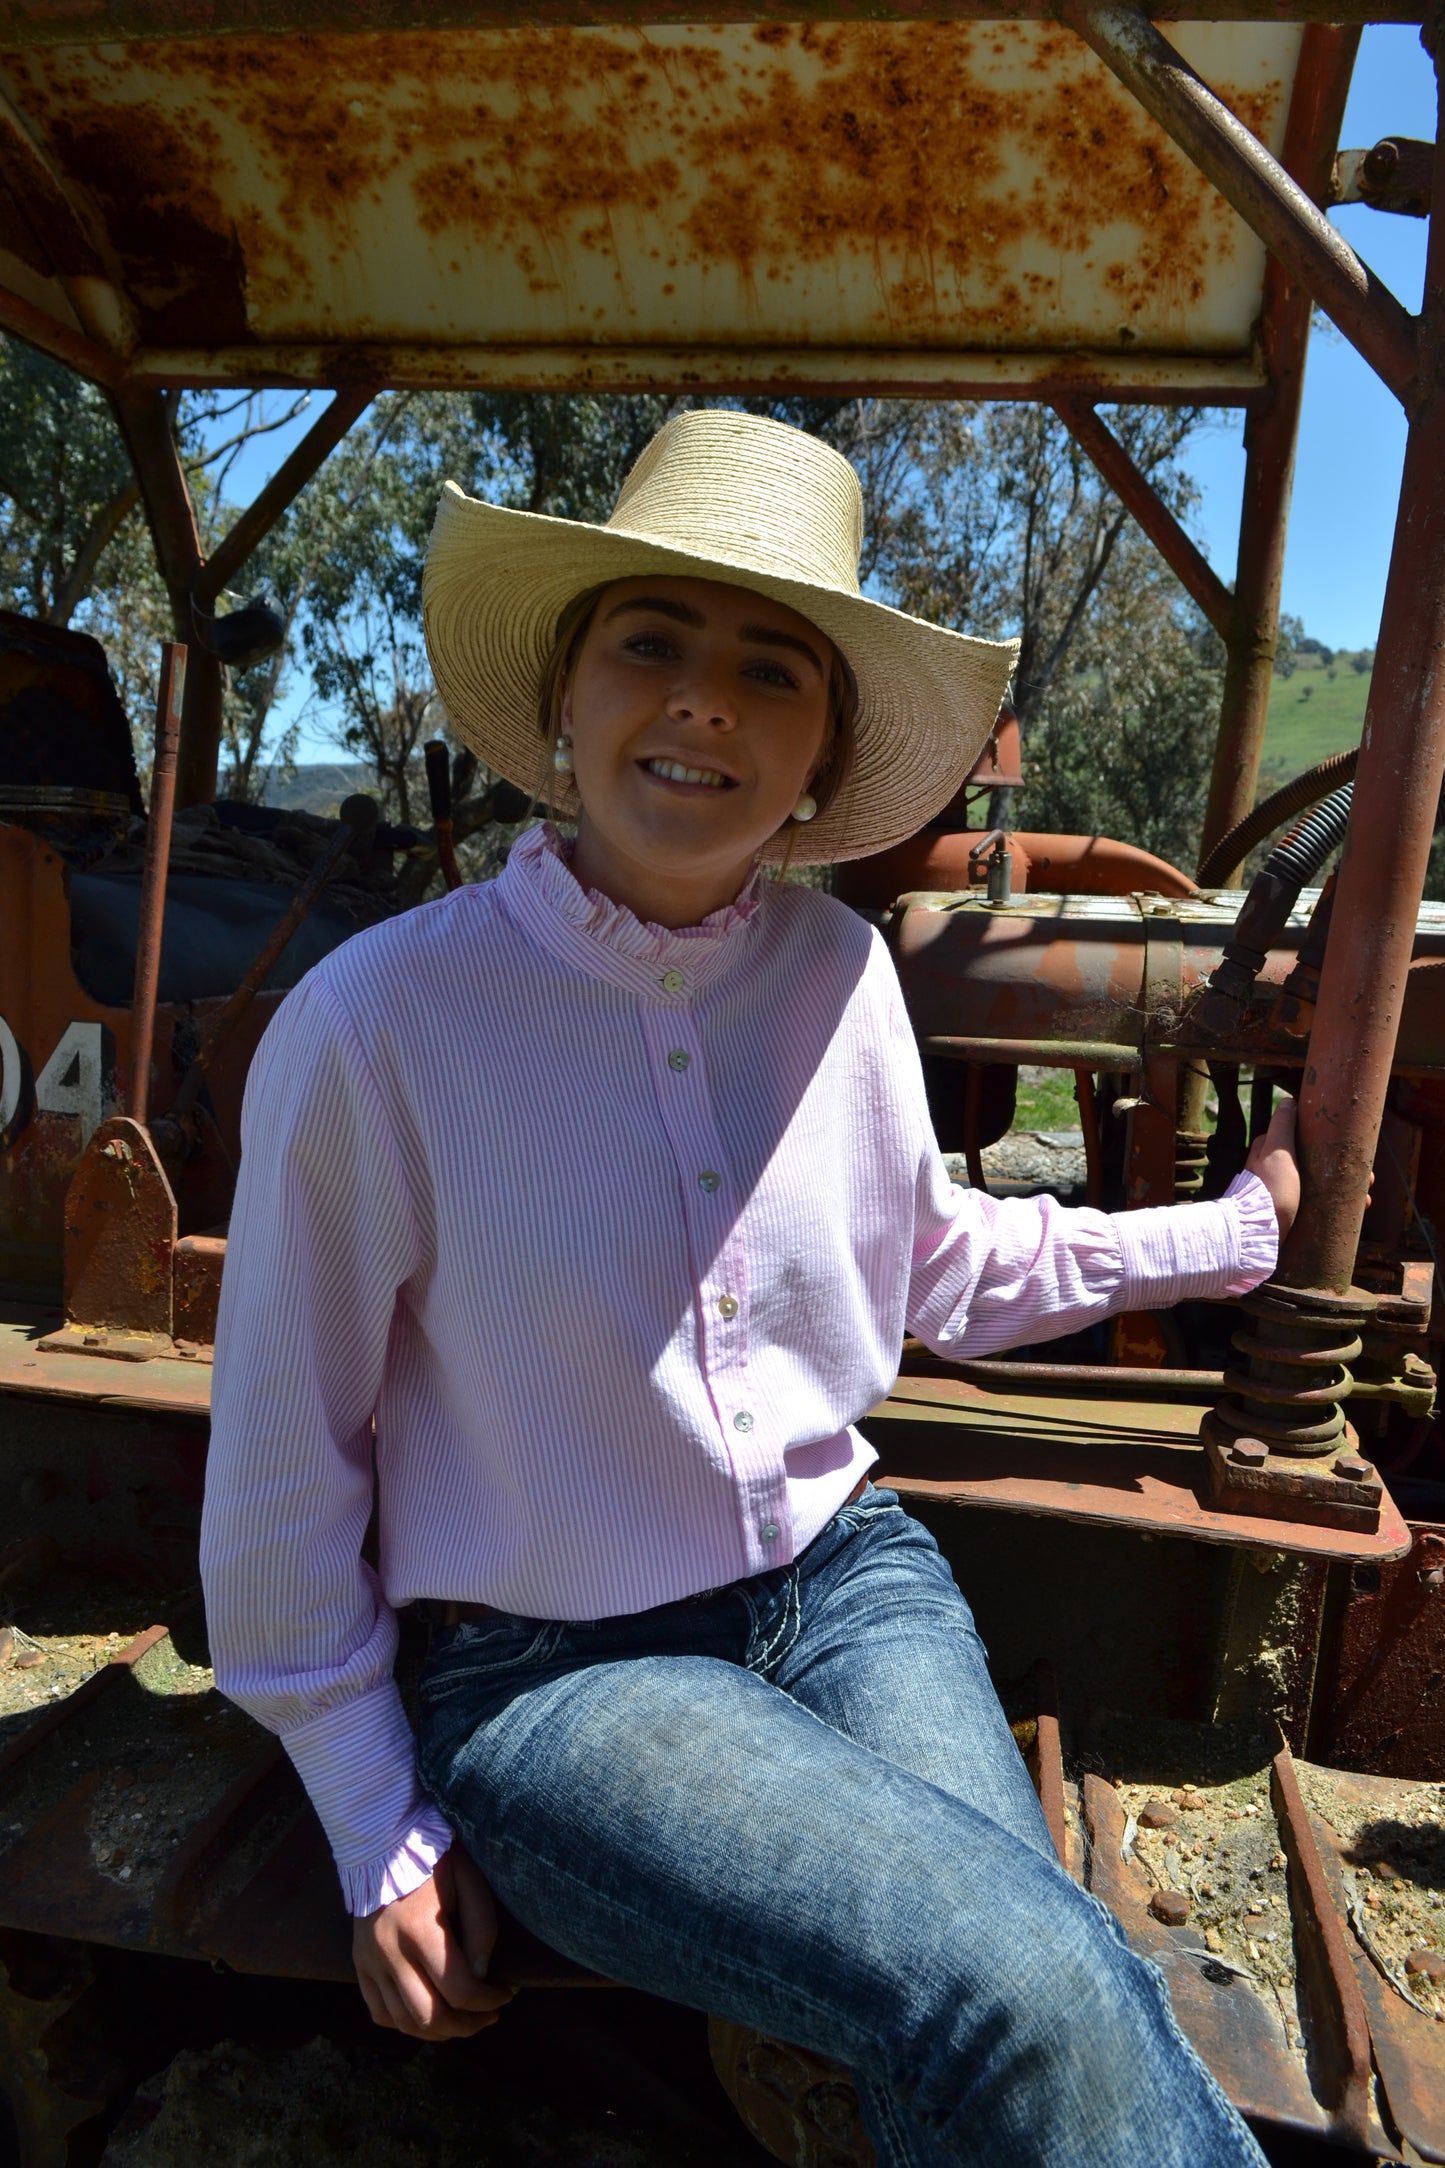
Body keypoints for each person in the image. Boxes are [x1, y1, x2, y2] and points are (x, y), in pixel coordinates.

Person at [201, 409, 1298, 2168]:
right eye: (652, 641)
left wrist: (1226, 1238)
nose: (702, 698)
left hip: (848, 1582)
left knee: (1028, 2002)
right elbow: (277, 1466)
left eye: (769, 668)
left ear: (814, 765)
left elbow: (933, 1259)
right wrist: (368, 1819)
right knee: (1017, 1979)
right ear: (564, 702)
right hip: (556, 1677)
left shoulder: (843, 972)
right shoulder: (378, 1026)